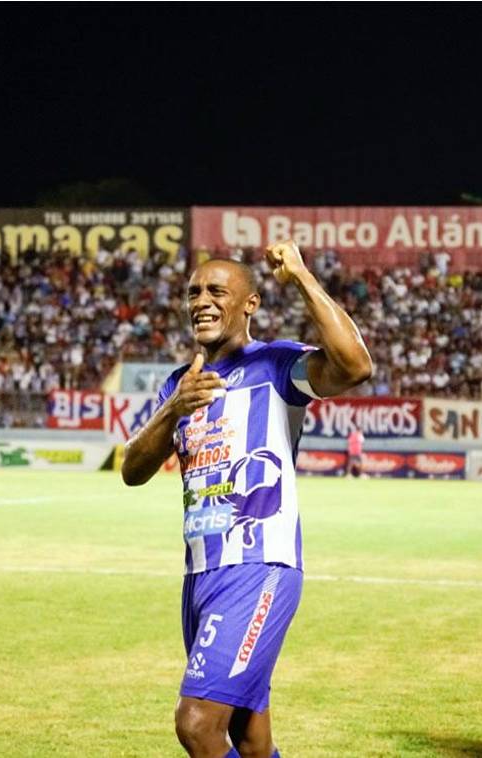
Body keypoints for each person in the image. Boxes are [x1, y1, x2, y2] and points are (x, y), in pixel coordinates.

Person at [121, 240, 372, 758]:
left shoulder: (276, 366)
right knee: (250, 739)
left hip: (258, 567)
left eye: (217, 291)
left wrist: (300, 276)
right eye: (194, 292)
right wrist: (173, 409)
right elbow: (132, 470)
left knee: (197, 724)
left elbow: (354, 366)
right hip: (200, 575)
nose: (201, 301)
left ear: (250, 303)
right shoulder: (180, 384)